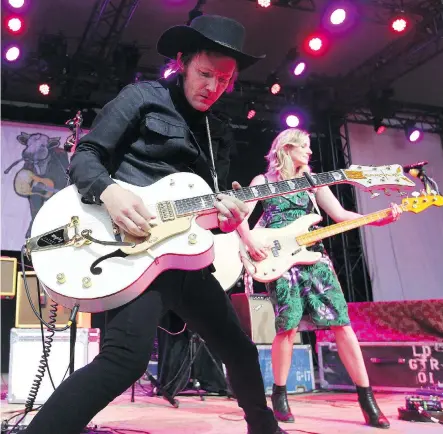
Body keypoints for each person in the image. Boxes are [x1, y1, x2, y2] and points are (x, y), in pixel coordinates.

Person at [25, 15, 288, 434]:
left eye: (224, 79)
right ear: (182, 62)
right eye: (205, 74)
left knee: (238, 349)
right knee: (124, 360)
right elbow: (87, 155)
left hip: (184, 254)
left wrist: (227, 215)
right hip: (132, 249)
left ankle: (266, 428)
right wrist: (110, 192)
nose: (212, 87)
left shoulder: (217, 128)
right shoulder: (141, 97)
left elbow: (211, 209)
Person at [236, 128, 403, 429]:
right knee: (287, 327)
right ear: (287, 148)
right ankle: (280, 395)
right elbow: (239, 217)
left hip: (315, 256)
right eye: (305, 147)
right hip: (281, 260)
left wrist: (379, 218)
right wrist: (250, 243)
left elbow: (340, 214)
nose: (310, 152)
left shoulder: (313, 182)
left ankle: (367, 399)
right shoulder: (263, 183)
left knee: (342, 322)